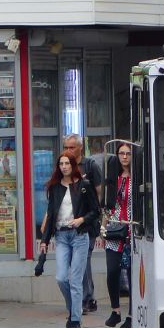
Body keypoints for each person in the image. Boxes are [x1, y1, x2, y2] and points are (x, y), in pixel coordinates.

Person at [39, 151, 101, 328]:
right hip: (61, 236)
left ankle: (75, 320)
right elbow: (51, 215)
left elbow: (96, 211)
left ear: (73, 165)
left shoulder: (84, 185)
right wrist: (44, 241)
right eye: (61, 164)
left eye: (67, 163)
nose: (64, 166)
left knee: (75, 279)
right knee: (60, 278)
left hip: (79, 235)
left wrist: (81, 219)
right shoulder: (54, 187)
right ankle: (74, 307)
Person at [63, 134, 103, 314]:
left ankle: (86, 298)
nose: (68, 151)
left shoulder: (90, 165)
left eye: (72, 147)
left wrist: (95, 215)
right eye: (66, 147)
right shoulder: (64, 166)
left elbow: (98, 193)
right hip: (69, 221)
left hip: (87, 221)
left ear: (80, 148)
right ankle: (86, 297)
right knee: (75, 261)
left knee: (83, 258)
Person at [102, 143, 135, 328]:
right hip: (115, 228)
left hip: (132, 230)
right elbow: (107, 205)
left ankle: (131, 315)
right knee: (112, 270)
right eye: (121, 153)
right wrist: (103, 226)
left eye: (128, 153)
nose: (124, 157)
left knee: (131, 274)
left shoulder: (137, 178)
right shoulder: (113, 179)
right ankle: (115, 310)